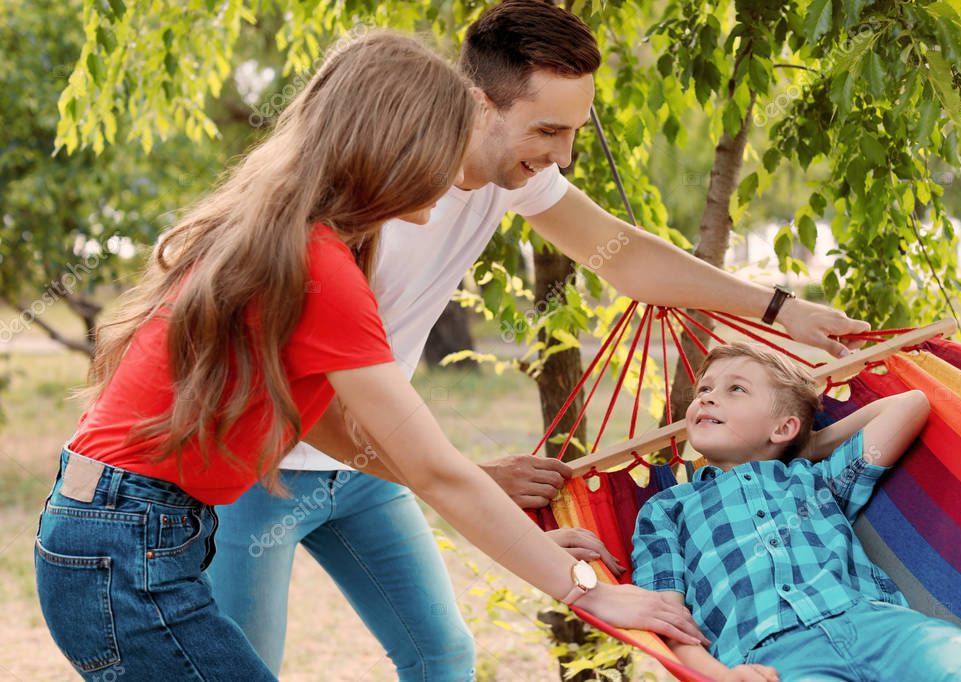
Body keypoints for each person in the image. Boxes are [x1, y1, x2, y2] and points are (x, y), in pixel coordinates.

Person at [208, 1, 874, 677]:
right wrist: (472, 481)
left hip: (366, 468)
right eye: (548, 129)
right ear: (474, 106)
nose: (563, 154)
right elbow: (307, 403)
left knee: (441, 655)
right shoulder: (358, 207)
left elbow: (622, 256)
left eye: (575, 132)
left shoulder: (509, 173)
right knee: (239, 668)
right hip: (256, 464)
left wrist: (778, 308)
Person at [33, 32, 707, 681]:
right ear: (396, 146)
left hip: (121, 528)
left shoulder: (298, 238)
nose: (457, 174)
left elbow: (328, 425)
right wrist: (584, 590)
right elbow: (437, 473)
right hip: (125, 541)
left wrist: (532, 550)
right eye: (447, 146)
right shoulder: (318, 266)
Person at [630, 343, 961, 681]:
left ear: (783, 427)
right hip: (772, 656)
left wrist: (812, 444)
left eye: (735, 389)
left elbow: (910, 406)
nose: (707, 398)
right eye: (704, 390)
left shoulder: (815, 480)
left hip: (880, 627)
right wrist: (720, 676)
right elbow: (666, 618)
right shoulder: (667, 509)